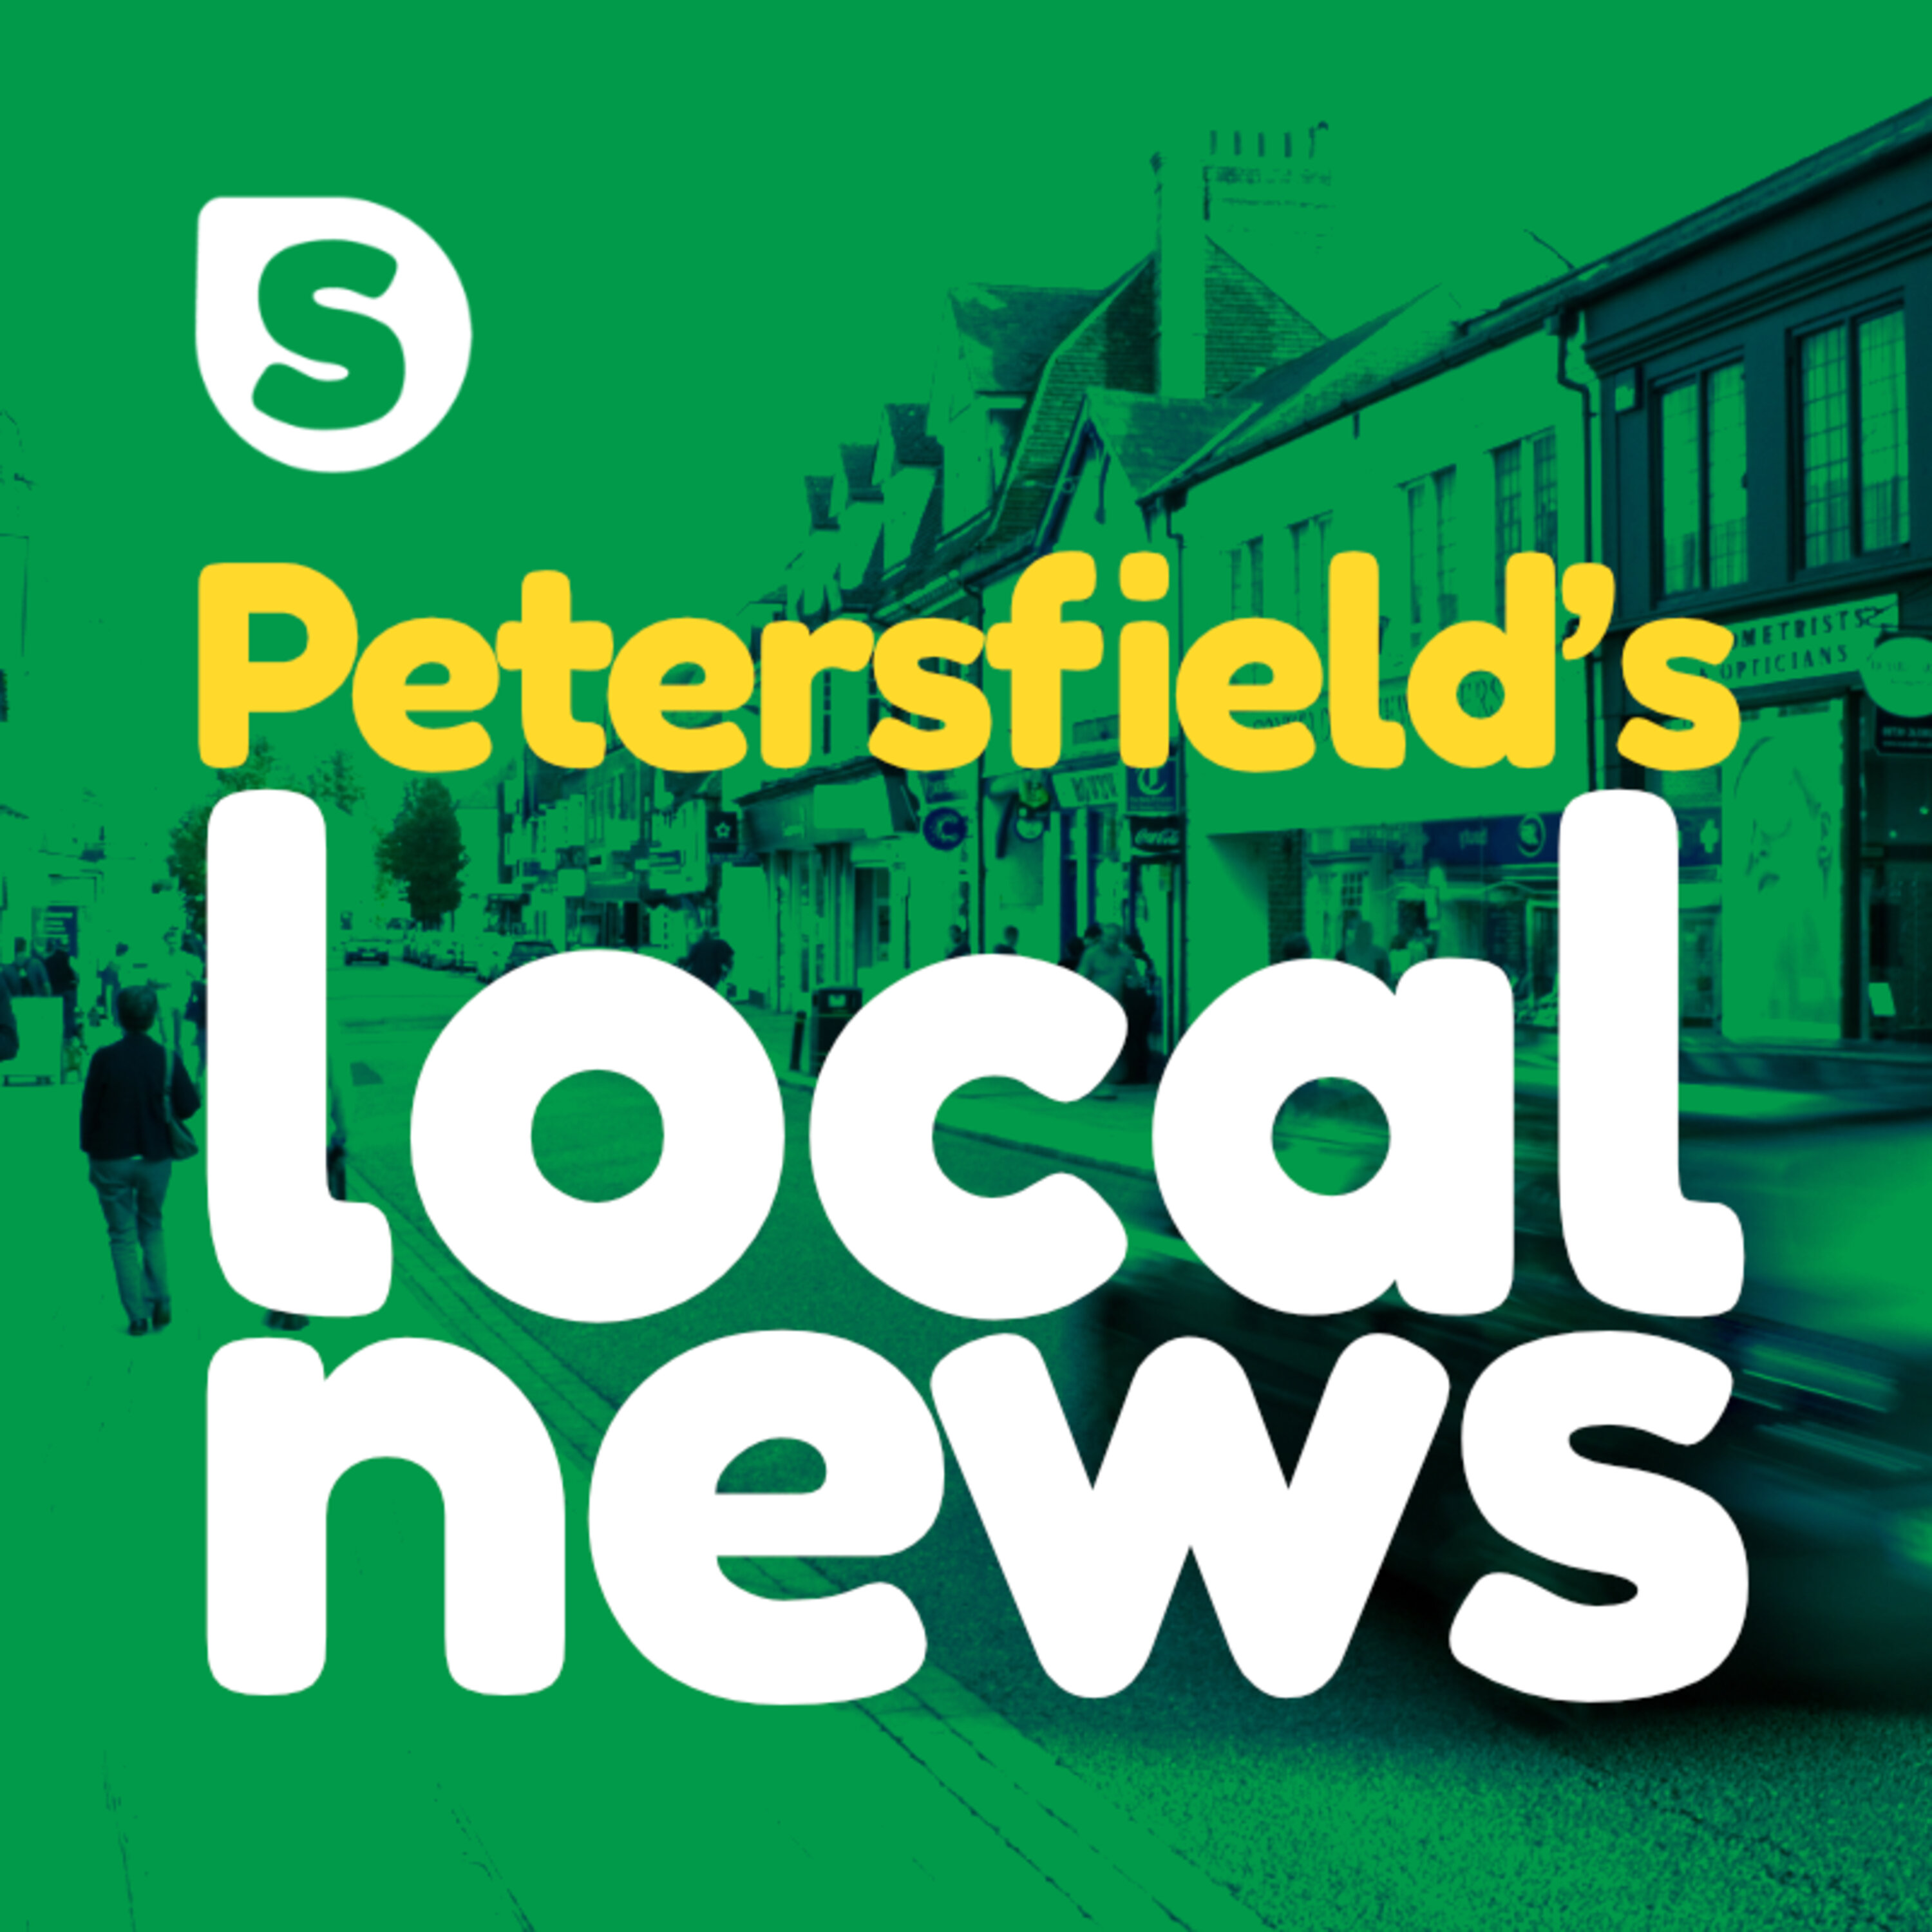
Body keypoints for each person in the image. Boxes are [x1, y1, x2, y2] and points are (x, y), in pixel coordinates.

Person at [79, 984, 202, 1336]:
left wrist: (88, 1151)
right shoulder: (166, 1057)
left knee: (121, 1235)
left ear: (118, 1017)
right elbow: (189, 1107)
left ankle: (136, 1316)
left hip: (110, 1158)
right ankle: (161, 1297)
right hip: (155, 1157)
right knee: (152, 1224)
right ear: (153, 1017)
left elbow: (89, 1109)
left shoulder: (104, 1058)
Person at [682, 925, 734, 990]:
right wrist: (728, 971)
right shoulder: (720, 943)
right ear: (711, 935)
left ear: (701, 936)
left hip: (700, 974)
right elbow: (730, 957)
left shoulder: (696, 946)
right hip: (714, 974)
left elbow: (689, 961)